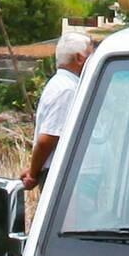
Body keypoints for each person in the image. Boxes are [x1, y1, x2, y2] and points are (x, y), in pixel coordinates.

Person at [23, 27, 92, 188]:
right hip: (63, 176)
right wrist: (33, 174)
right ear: (79, 58)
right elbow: (47, 139)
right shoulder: (66, 90)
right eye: (90, 55)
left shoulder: (61, 84)